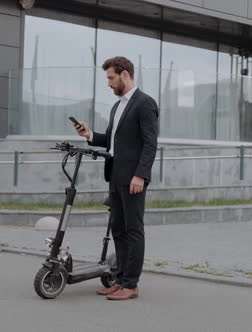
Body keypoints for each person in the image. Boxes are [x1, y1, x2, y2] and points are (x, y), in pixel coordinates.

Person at [73, 56, 159, 301]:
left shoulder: (145, 103)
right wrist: (89, 134)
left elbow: (150, 144)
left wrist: (141, 175)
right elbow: (111, 140)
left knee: (133, 230)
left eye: (111, 78)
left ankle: (131, 285)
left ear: (125, 74)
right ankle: (120, 279)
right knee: (119, 230)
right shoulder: (117, 106)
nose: (109, 83)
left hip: (133, 178)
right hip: (115, 175)